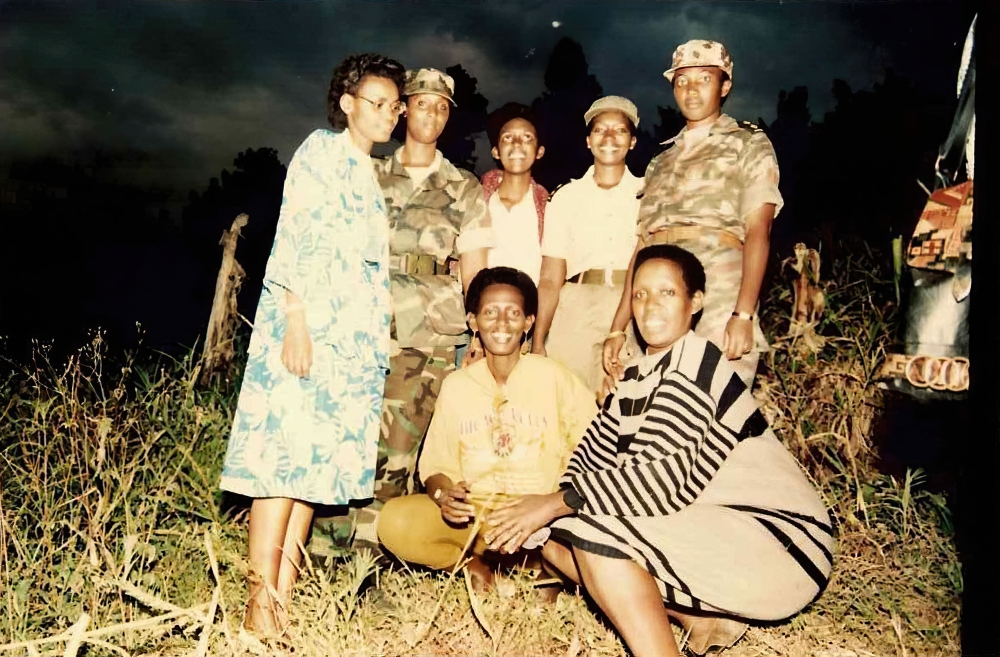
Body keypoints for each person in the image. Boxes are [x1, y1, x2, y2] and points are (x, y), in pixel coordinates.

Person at [482, 245, 833, 657]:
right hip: (714, 533)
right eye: (640, 294)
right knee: (551, 537)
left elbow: (658, 486)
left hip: (782, 543)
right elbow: (587, 460)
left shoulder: (698, 362)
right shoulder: (635, 375)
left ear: (695, 302)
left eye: (666, 293)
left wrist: (556, 502)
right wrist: (540, 507)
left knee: (593, 533)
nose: (650, 306)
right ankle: (700, 618)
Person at [218, 54, 406, 635]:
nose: (389, 115)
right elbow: (294, 234)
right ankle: (257, 607)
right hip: (306, 329)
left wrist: (378, 342)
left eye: (395, 105)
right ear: (347, 104)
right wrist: (295, 319)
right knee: (281, 466)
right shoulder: (321, 151)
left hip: (349, 347)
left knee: (311, 473)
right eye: (377, 102)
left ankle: (282, 602)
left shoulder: (370, 174)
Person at [309, 68, 494, 558]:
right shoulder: (369, 169)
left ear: (448, 117)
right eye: (422, 103)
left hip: (428, 332)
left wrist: (476, 332)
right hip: (363, 320)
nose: (431, 113)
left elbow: (475, 267)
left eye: (442, 106)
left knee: (398, 449)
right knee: (347, 432)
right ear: (405, 109)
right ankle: (325, 548)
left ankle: (369, 558)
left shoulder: (463, 186)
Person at [376, 266, 597, 593]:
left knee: (598, 532)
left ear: (528, 323)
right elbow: (436, 468)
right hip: (479, 522)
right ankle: (474, 565)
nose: (502, 322)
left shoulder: (554, 377)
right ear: (473, 322)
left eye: (513, 313)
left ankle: (546, 569)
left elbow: (594, 450)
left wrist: (549, 504)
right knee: (395, 522)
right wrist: (444, 496)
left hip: (544, 520)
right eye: (490, 312)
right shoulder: (457, 385)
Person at [603, 40, 783, 389]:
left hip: (718, 289)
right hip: (657, 290)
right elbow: (642, 246)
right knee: (650, 405)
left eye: (704, 78)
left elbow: (759, 230)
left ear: (725, 86)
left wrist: (743, 313)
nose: (691, 90)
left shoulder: (748, 142)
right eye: (682, 80)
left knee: (715, 403)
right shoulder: (661, 160)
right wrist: (618, 326)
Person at [532, 96, 645, 395]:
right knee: (569, 400)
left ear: (632, 142)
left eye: (619, 130)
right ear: (588, 140)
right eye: (600, 130)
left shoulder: (649, 194)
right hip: (577, 306)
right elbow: (550, 277)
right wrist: (538, 341)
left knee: (625, 403)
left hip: (632, 303)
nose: (609, 137)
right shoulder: (566, 197)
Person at [461, 103, 549, 368]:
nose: (518, 144)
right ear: (496, 151)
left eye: (527, 138)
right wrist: (476, 336)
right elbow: (471, 272)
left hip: (526, 326)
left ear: (539, 151)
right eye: (508, 137)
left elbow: (550, 277)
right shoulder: (478, 199)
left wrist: (538, 341)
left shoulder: (549, 205)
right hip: (485, 324)